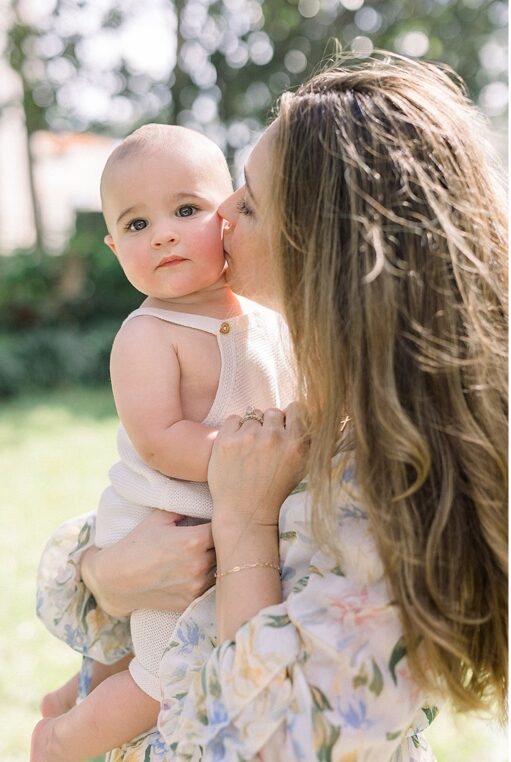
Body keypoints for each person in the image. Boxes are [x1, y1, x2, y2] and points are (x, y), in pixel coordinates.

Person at [35, 53, 508, 760]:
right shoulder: (316, 392)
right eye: (137, 223)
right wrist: (107, 574)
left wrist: (245, 518)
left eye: (246, 202)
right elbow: (124, 529)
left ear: (325, 252)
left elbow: (268, 740)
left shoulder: (387, 498)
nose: (217, 217)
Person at [33, 123, 297, 762]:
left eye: (186, 210)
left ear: (230, 213)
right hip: (163, 516)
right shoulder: (150, 333)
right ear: (114, 248)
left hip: (228, 510)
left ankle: (74, 694)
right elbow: (160, 441)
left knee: (138, 653)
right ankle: (60, 741)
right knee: (162, 672)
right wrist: (261, 457)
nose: (164, 233)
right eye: (135, 225)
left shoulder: (264, 314)